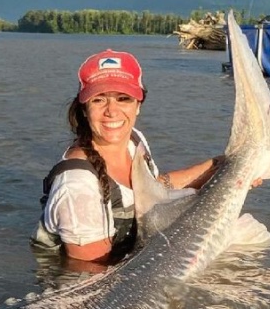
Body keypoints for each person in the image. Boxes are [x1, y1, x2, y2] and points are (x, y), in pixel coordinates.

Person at [33, 49, 224, 267]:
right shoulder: (77, 186)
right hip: (92, 284)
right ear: (84, 109)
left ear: (138, 105)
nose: (112, 112)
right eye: (98, 100)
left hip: (134, 262)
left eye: (123, 99)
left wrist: (220, 168)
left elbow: (155, 188)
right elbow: (89, 273)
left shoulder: (134, 140)